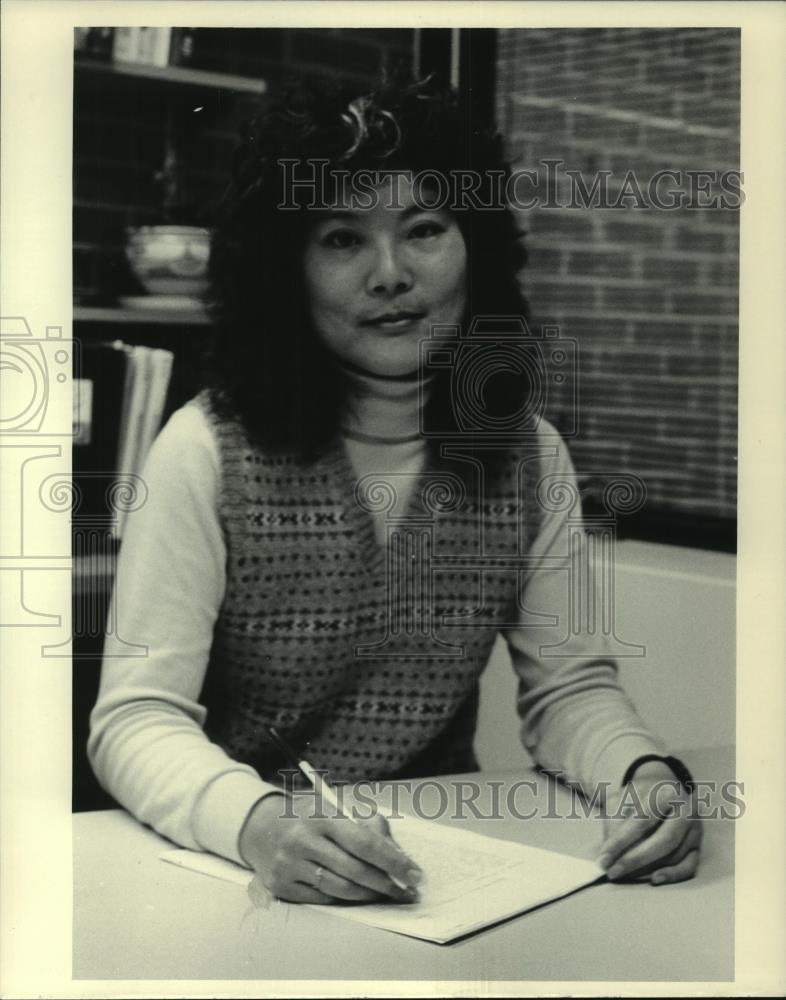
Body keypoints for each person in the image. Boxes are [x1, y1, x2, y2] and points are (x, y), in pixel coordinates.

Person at [89, 74, 702, 905]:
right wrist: (262, 825)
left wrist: (644, 773)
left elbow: (569, 688)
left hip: (447, 870)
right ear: (286, 271)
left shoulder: (528, 454)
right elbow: (134, 719)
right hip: (237, 872)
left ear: (473, 248)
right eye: (342, 239)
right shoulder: (203, 450)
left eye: (424, 230)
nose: (390, 274)